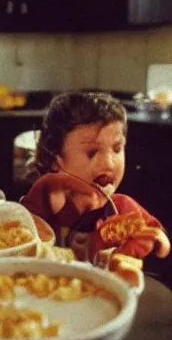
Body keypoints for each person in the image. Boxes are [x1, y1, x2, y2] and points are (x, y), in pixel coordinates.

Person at [21, 92, 166, 259]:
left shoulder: (123, 208)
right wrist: (51, 182)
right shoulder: (49, 201)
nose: (109, 164)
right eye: (92, 153)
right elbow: (20, 225)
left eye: (117, 149)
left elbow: (161, 244)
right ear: (56, 160)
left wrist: (150, 243)